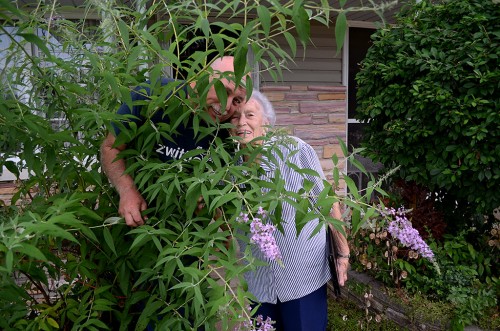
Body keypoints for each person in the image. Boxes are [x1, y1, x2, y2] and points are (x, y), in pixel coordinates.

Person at [229, 90, 350, 331]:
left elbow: (326, 200)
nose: (242, 122)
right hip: (259, 281)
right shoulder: (230, 168)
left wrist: (343, 253)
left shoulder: (294, 150)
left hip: (302, 276)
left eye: (250, 114)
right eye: (235, 117)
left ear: (266, 120)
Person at [100, 56, 247, 227]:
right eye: (224, 91)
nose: (226, 106)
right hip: (133, 224)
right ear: (204, 77)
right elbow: (111, 147)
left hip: (183, 240)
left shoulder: (224, 132)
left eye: (237, 101)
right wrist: (127, 190)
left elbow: (214, 196)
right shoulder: (154, 94)